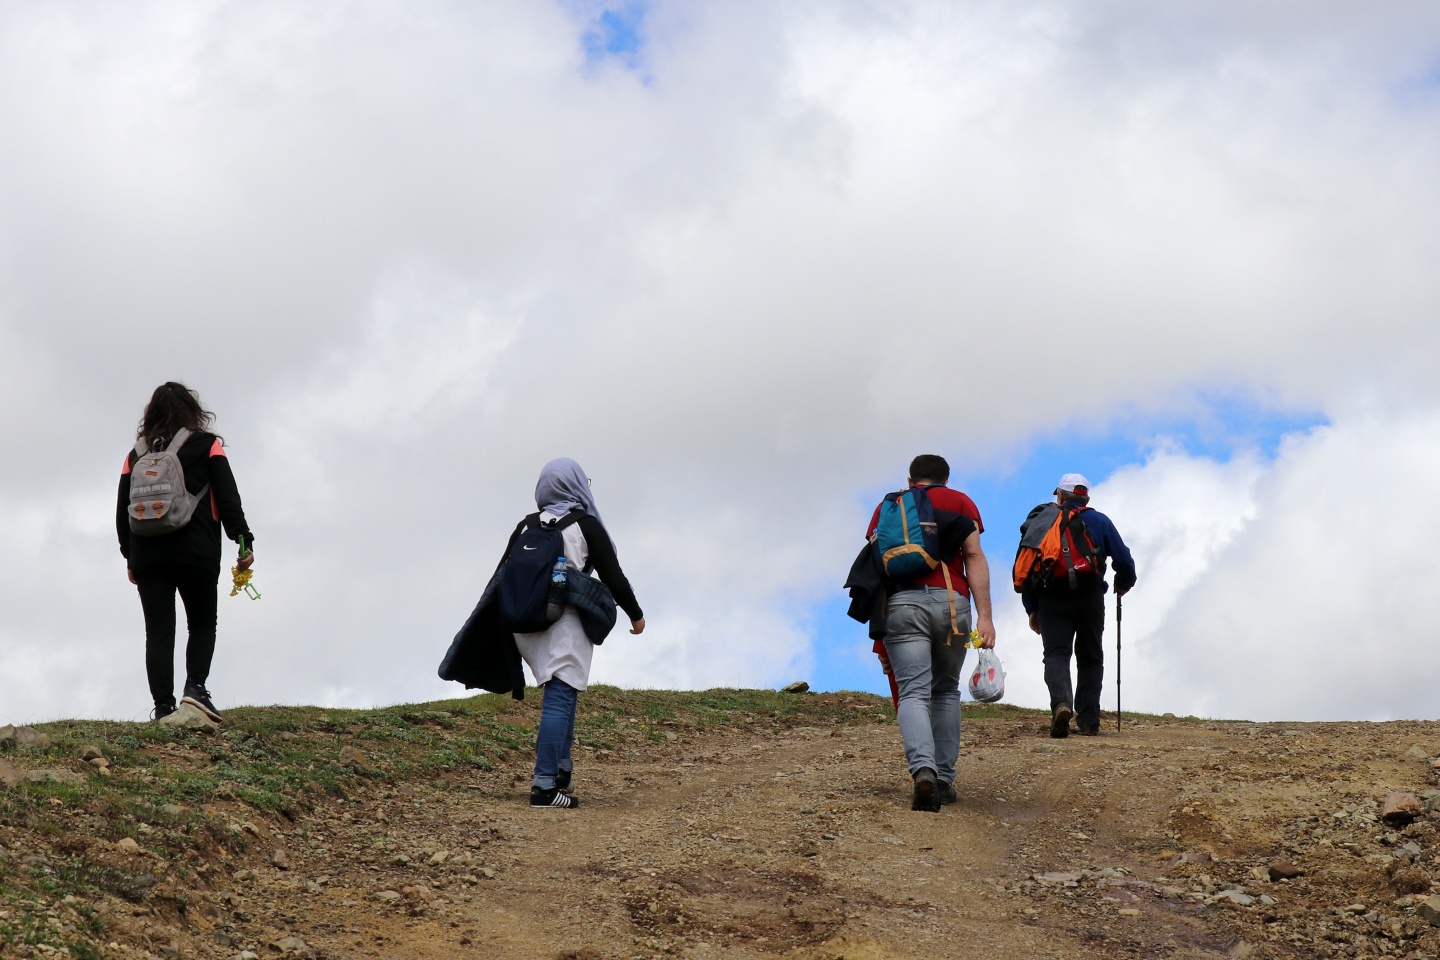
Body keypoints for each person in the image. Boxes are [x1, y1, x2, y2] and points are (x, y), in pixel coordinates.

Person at [865, 454, 996, 812]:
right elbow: (974, 557)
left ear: (910, 480)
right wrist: (985, 618)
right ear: (945, 478)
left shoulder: (889, 505)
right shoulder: (960, 502)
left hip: (901, 606)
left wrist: (881, 642)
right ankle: (943, 778)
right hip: (953, 605)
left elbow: (878, 569)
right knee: (945, 691)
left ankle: (922, 770)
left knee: (913, 693)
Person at [116, 382, 253, 722]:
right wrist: (243, 541)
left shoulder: (136, 455)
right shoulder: (207, 446)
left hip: (149, 556)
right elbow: (228, 499)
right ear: (192, 410)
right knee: (203, 622)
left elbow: (122, 511)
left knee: (159, 630)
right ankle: (195, 690)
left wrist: (130, 558)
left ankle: (163, 707)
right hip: (198, 552)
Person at [511, 458, 644, 809]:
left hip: (525, 625)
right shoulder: (584, 525)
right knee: (560, 696)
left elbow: (502, 579)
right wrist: (636, 614)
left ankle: (560, 769)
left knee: (564, 693)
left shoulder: (526, 527)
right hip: (563, 621)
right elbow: (613, 576)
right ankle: (543, 785)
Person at [1020, 473, 1136, 738]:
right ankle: (1089, 720)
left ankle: (1061, 704)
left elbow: (1028, 567)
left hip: (1052, 599)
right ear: (1087, 498)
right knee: (1090, 656)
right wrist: (1123, 583)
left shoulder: (1042, 522)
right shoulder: (1099, 520)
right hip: (1090, 598)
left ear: (1060, 496)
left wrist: (1032, 608)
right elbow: (1124, 558)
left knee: (1056, 654)